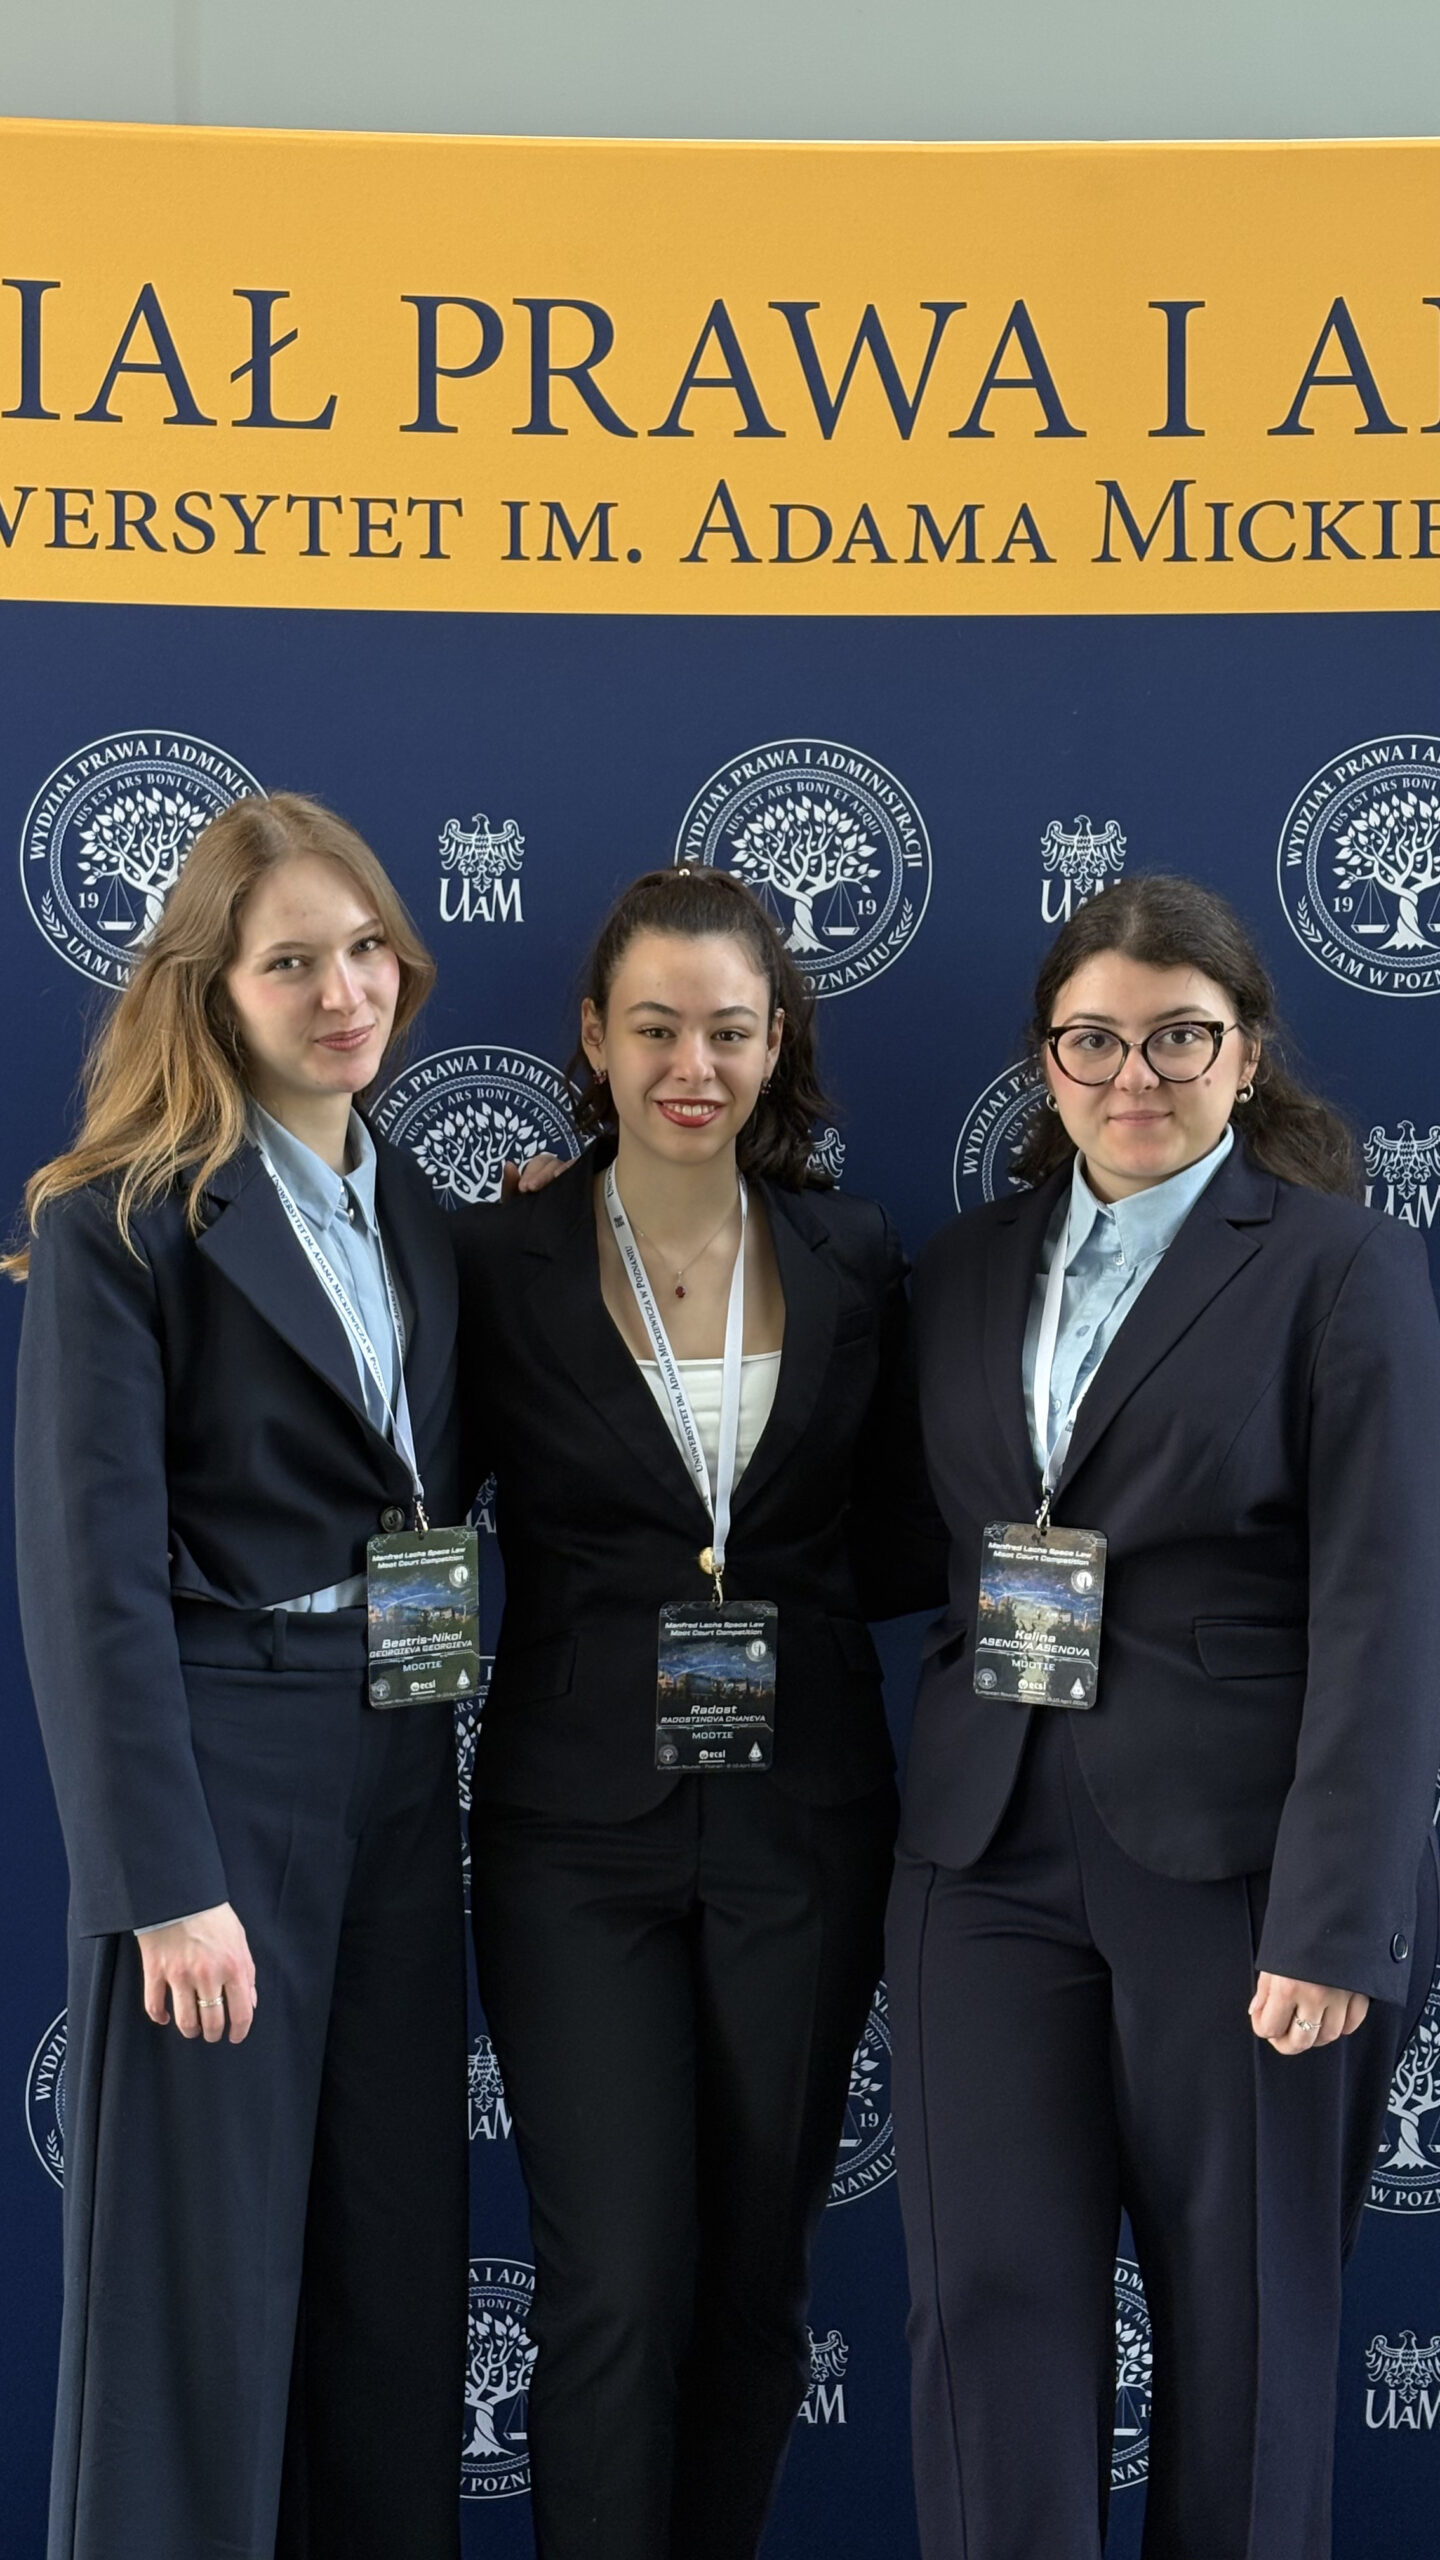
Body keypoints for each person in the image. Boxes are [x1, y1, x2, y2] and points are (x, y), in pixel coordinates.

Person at [889, 873, 1440, 2560]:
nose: (1136, 1076)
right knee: (987, 2313)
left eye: (1182, 1038)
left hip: (1246, 1874)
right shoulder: (961, 1267)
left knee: (1246, 2334)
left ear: (1247, 1054)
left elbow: (1388, 1609)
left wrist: (1337, 1921)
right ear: (1046, 1061)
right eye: (1096, 1040)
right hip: (982, 1853)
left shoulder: (1344, 1268)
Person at [453, 865, 943, 2560]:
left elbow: (899, 1537)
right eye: (655, 1028)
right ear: (594, 1038)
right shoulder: (494, 1255)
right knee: (612, 2280)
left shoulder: (854, 1253)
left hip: (806, 1827)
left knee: (753, 2283)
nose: (692, 1066)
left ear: (774, 1040)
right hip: (570, 1839)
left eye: (728, 1031)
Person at [12, 794, 469, 2560]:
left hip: (398, 1767)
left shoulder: (414, 1209)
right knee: (191, 2306)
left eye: (365, 952)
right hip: (223, 1781)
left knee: (387, 2279)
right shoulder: (118, 1221)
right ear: (213, 989)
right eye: (292, 963)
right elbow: (89, 1580)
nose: (344, 994)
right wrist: (162, 1882)